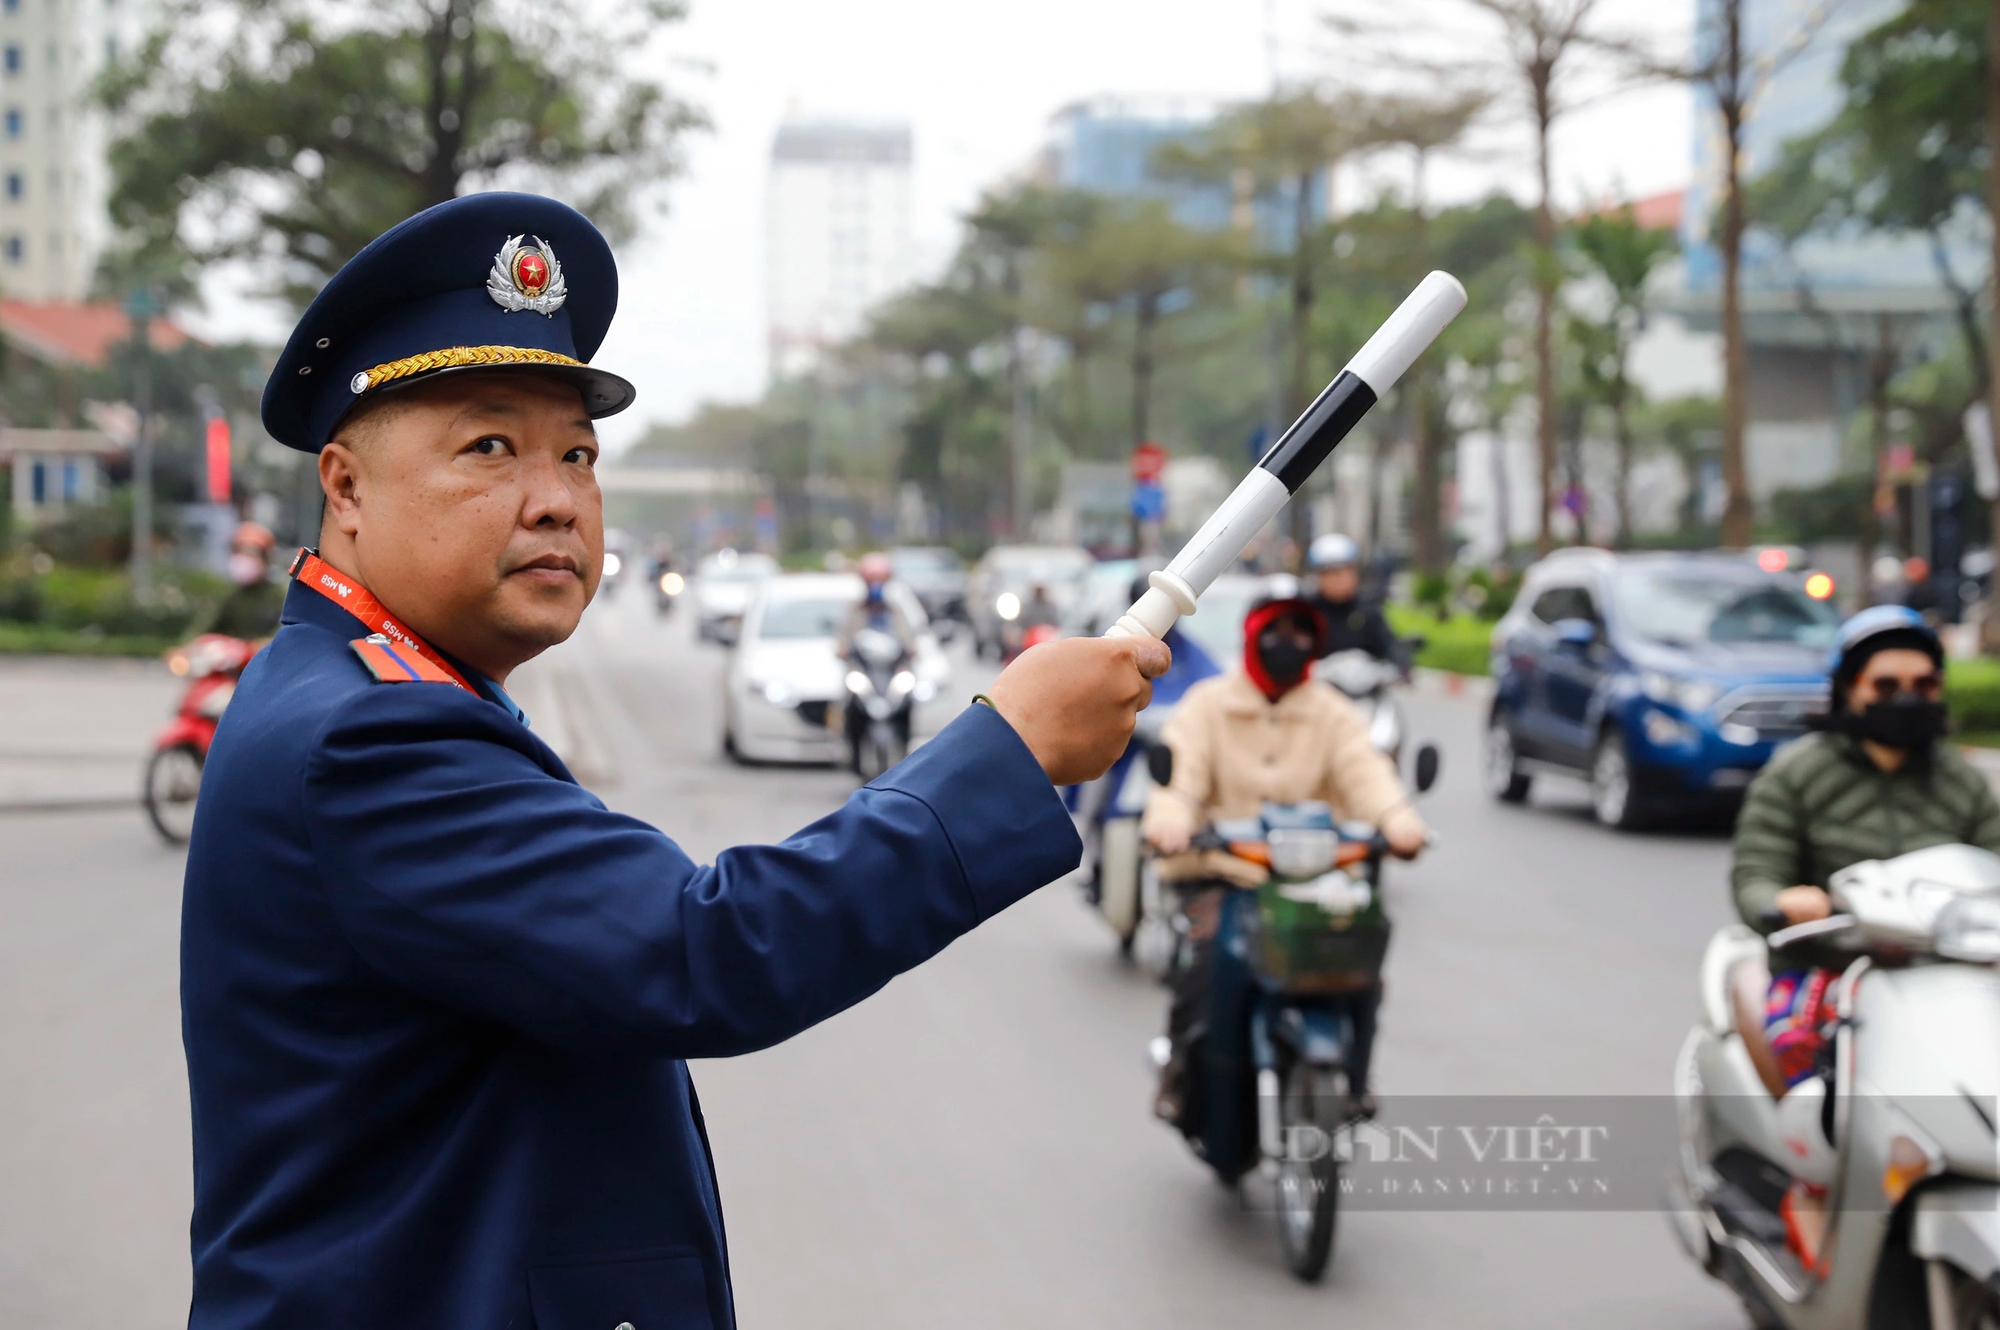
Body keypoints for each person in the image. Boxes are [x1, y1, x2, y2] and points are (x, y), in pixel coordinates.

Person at [180, 193, 1169, 1329]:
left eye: (579, 454)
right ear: (345, 487)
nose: (555, 499)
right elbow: (705, 949)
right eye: (490, 447)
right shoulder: (369, 736)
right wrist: (1011, 749)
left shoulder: (366, 686)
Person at [1731, 604, 2000, 1267]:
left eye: (1925, 684)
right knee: (1805, 1053)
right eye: (1886, 685)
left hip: (1948, 970)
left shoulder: (1961, 780)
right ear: (1849, 688)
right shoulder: (1798, 772)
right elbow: (1754, 875)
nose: (1907, 698)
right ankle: (1815, 1185)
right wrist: (1783, 901)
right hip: (1831, 968)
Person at [1142, 590, 1427, 1132]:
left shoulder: (1332, 712)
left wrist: (1397, 819)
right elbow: (1181, 777)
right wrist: (1172, 818)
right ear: (1253, 637)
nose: (1288, 645)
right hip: (1226, 875)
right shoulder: (1208, 705)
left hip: (1313, 884)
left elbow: (1365, 772)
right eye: (1278, 632)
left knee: (1360, 956)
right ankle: (1181, 1073)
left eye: (1301, 635)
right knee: (1202, 973)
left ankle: (1356, 1081)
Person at [1306, 532, 1408, 670]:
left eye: (1344, 571)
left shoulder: (1367, 611)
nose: (1339, 579)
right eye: (1331, 573)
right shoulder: (1306, 612)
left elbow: (1390, 647)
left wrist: (1400, 662)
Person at [199, 521, 286, 640]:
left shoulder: (281, 595)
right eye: (239, 552)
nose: (244, 559)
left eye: (251, 553)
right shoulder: (229, 595)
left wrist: (250, 649)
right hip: (231, 657)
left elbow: (285, 635)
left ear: (266, 559)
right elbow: (205, 630)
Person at [835, 550, 920, 657]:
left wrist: (912, 648)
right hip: (863, 663)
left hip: (892, 663)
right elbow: (844, 633)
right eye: (871, 580)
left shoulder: (896, 606)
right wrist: (842, 648)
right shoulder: (855, 607)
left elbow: (908, 631)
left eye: (880, 579)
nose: (876, 584)